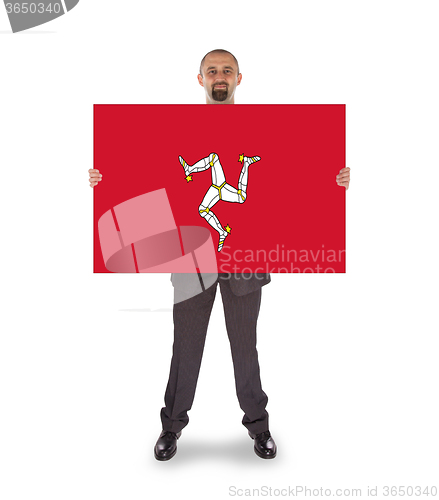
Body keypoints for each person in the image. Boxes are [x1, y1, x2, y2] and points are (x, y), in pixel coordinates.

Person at [89, 49, 351, 461]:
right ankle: (171, 427)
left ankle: (258, 426)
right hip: (191, 262)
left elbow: (293, 172)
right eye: (212, 70)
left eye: (226, 70)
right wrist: (108, 177)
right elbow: (144, 170)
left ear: (239, 78)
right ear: (200, 80)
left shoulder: (266, 129)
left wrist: (331, 178)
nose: (219, 76)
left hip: (245, 263)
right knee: (186, 347)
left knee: (245, 347)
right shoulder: (174, 130)